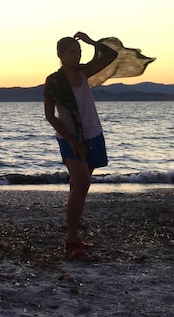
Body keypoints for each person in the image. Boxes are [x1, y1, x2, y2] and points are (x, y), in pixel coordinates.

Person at [43, 31, 118, 259]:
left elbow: (111, 55)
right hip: (70, 138)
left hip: (93, 134)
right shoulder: (54, 80)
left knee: (78, 185)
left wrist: (90, 41)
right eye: (72, 52)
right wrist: (74, 142)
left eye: (79, 52)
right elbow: (50, 116)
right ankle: (71, 240)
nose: (77, 56)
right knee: (83, 182)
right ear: (60, 54)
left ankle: (74, 236)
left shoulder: (84, 72)